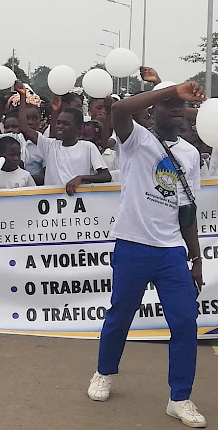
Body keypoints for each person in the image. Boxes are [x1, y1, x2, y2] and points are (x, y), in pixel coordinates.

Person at [87, 81, 207, 428]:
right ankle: (104, 373)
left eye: (179, 106)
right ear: (152, 111)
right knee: (120, 315)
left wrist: (196, 258)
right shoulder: (136, 138)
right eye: (167, 104)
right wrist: (173, 89)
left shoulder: (189, 155)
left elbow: (187, 211)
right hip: (132, 244)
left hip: (170, 252)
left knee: (185, 323)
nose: (175, 110)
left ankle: (180, 398)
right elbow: (119, 110)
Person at [17, 85, 110, 195]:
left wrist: (81, 178)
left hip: (78, 205)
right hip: (52, 204)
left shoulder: (88, 147)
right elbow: (24, 127)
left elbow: (105, 176)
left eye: (66, 124)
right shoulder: (50, 145)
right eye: (59, 123)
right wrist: (22, 96)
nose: (60, 126)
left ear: (78, 129)